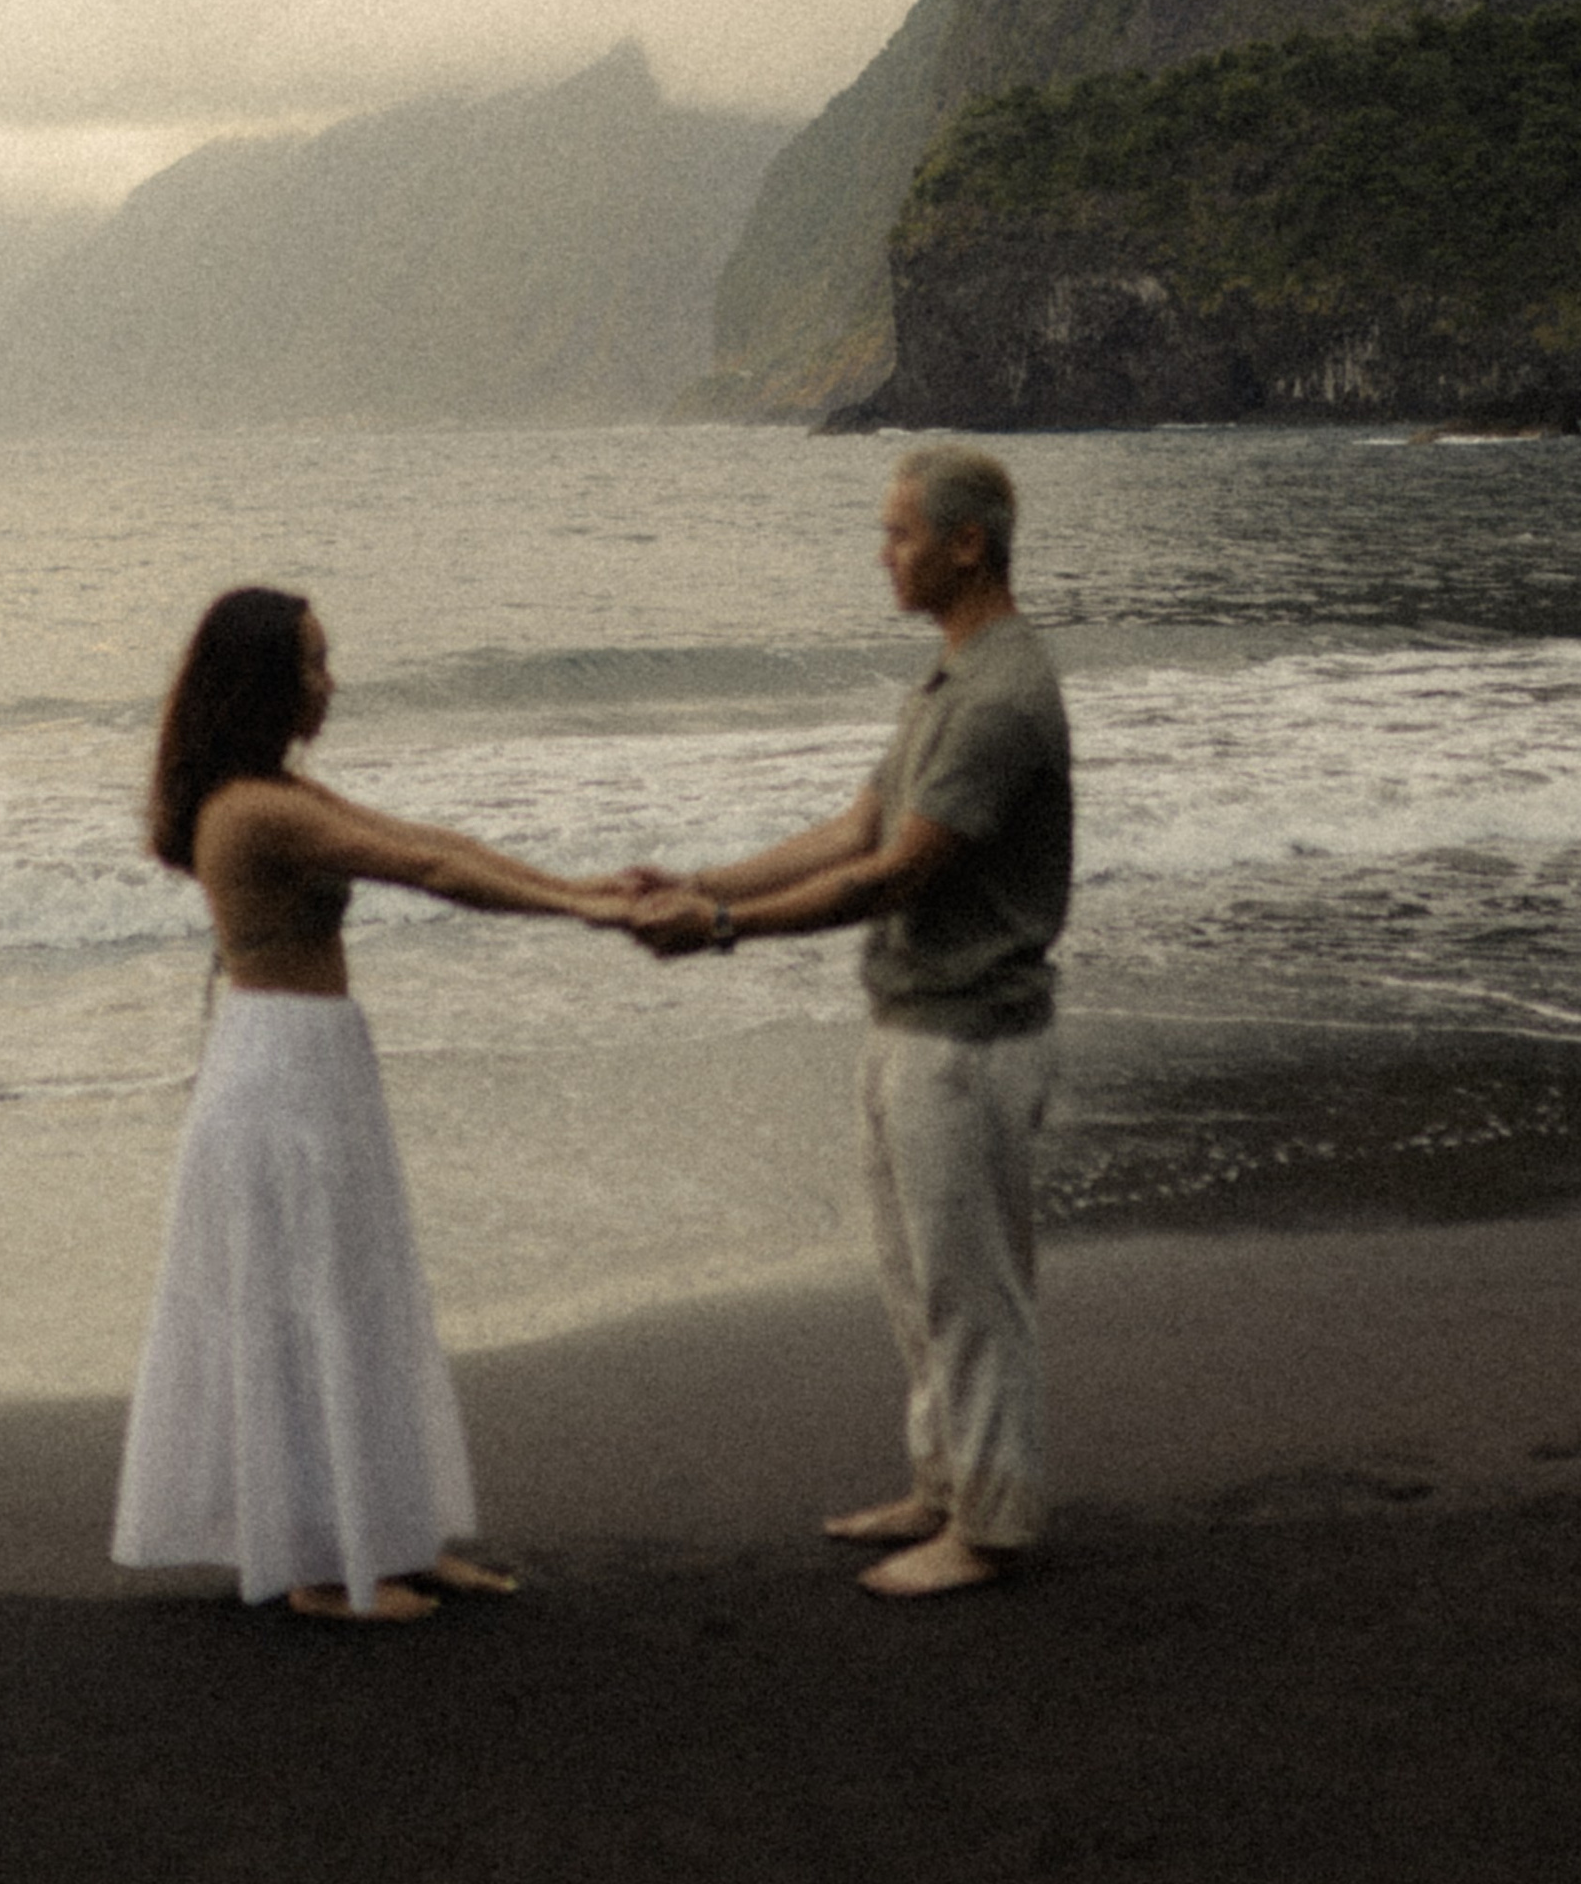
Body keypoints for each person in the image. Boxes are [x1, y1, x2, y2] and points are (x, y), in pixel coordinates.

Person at [113, 583, 630, 1626]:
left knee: (356, 1294)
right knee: (306, 1306)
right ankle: (320, 1570)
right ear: (264, 683)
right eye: (311, 664)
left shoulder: (280, 791)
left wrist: (588, 891)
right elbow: (428, 868)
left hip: (314, 1060)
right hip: (277, 1074)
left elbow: (435, 838)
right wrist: (579, 907)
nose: (330, 683)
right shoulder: (254, 811)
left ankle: (392, 1541)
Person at [630, 446, 1072, 1598]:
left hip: (969, 1036)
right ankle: (944, 1487)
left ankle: (990, 1526)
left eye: (898, 534)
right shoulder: (950, 676)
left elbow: (894, 875)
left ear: (966, 545)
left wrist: (720, 928)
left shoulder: (1000, 696)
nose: (882, 555)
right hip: (915, 1020)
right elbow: (851, 830)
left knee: (971, 1294)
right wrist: (699, 881)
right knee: (916, 1282)